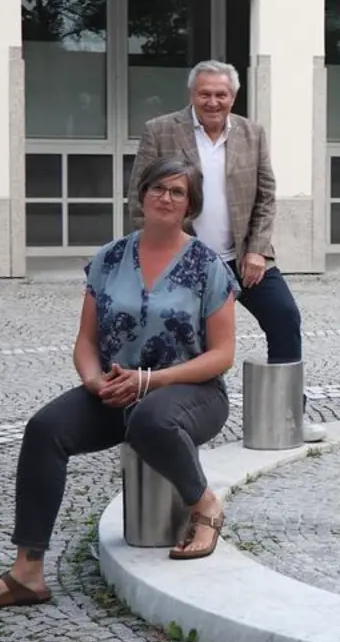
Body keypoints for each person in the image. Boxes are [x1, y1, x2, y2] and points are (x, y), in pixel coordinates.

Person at [0, 158, 239, 613]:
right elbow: (85, 342)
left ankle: (205, 504)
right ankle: (27, 570)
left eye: (177, 192)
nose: (165, 197)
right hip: (116, 389)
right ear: (141, 194)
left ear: (190, 205)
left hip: (192, 392)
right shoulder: (109, 258)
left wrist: (152, 379)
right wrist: (93, 381)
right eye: (157, 188)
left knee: (150, 419)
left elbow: (222, 354)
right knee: (45, 429)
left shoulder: (207, 265)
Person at [129, 60, 325, 443]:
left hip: (241, 258)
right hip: (183, 262)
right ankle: (165, 428)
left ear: (233, 97)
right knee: (176, 342)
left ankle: (289, 415)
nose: (213, 102)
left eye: (221, 94)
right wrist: (158, 257)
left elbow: (266, 197)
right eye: (205, 93)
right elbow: (140, 199)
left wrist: (257, 252)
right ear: (192, 94)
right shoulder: (161, 131)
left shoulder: (252, 133)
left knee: (285, 317)